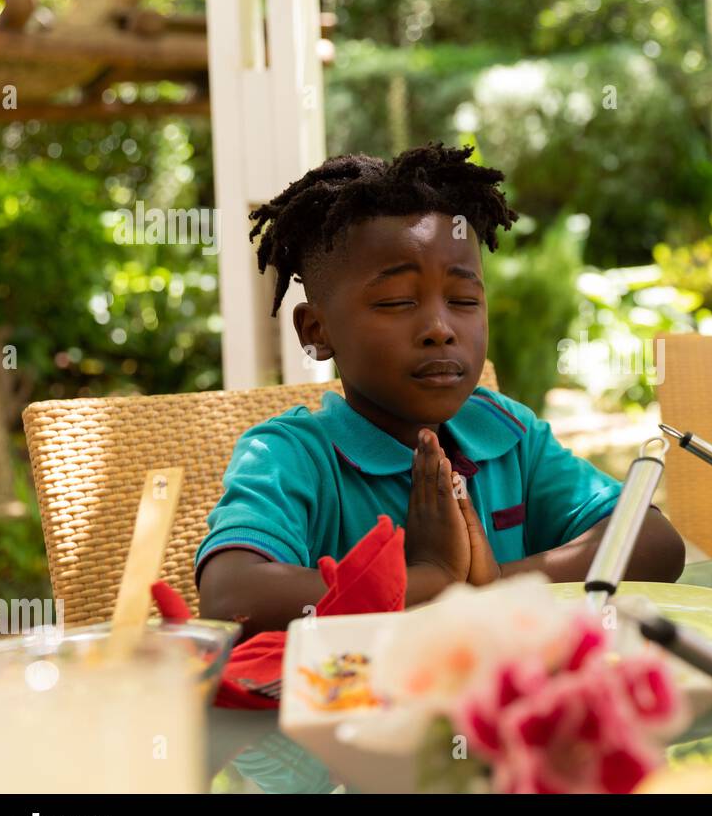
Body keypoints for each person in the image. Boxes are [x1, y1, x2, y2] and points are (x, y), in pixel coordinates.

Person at [196, 144, 685, 636]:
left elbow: (655, 541)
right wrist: (428, 580)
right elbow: (232, 596)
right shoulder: (293, 457)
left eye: (463, 299)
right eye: (396, 301)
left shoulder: (508, 434)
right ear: (316, 331)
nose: (439, 327)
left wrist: (492, 586)